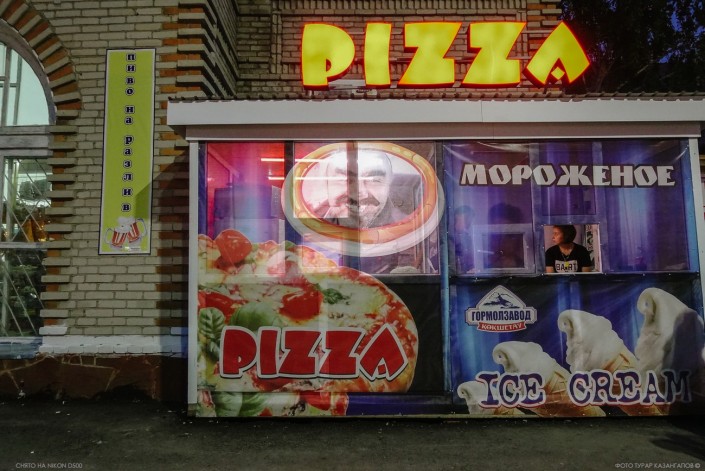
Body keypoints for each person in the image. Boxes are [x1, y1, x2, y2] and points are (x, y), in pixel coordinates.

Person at [318, 150, 408, 229]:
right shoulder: (311, 227)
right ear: (326, 184)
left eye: (374, 180)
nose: (358, 191)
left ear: (389, 184)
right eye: (344, 179)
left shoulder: (410, 230)